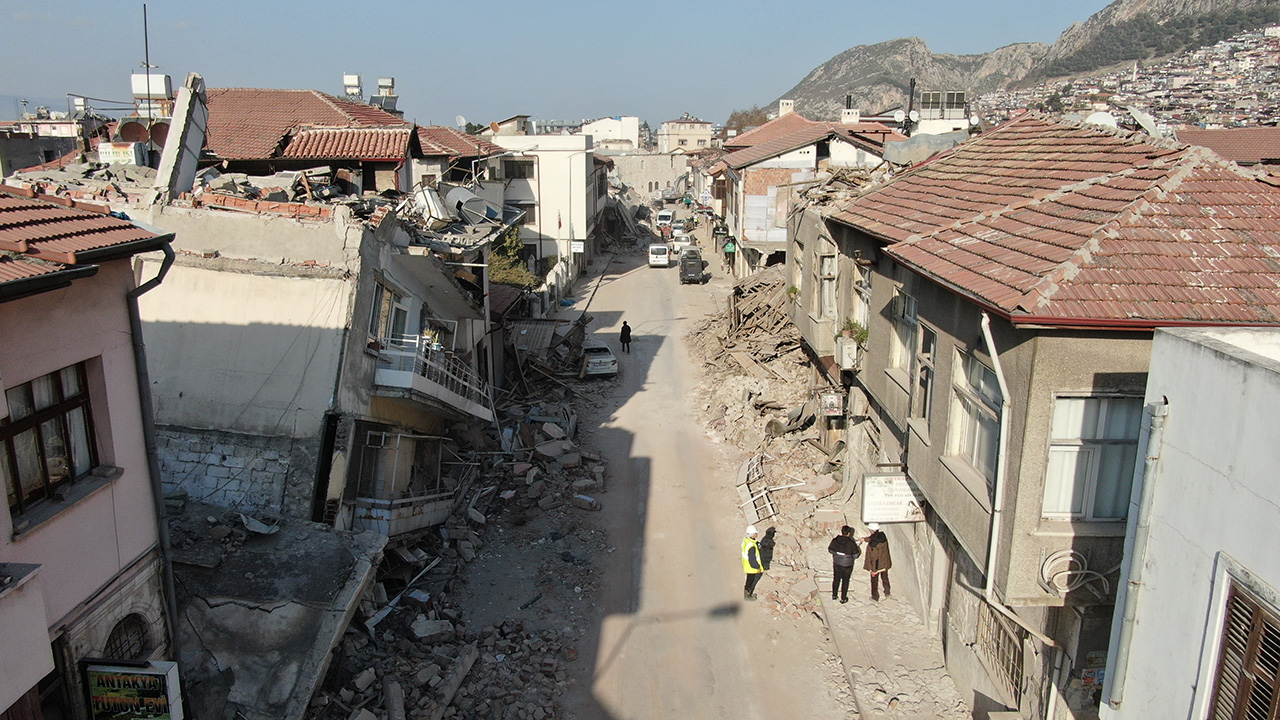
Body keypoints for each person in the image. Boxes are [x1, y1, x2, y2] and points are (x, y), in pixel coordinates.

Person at [827, 525, 861, 604]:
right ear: (849, 533)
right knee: (845, 581)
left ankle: (834, 595)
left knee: (836, 579)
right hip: (847, 565)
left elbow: (830, 550)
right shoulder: (851, 543)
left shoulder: (835, 540)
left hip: (837, 563)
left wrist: (837, 554)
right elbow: (856, 555)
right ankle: (843, 598)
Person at [863, 523, 892, 601]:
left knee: (874, 581)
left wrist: (874, 570)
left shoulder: (873, 545)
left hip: (877, 566)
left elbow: (874, 558)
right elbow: (873, 538)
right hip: (884, 563)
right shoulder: (882, 537)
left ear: (871, 530)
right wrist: (864, 539)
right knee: (885, 578)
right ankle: (887, 592)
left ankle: (875, 597)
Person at [742, 525, 764, 601]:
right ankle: (748, 596)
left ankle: (747, 593)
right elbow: (752, 559)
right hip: (751, 567)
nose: (757, 534)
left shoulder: (746, 540)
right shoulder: (752, 547)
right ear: (753, 534)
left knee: (749, 580)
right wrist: (757, 567)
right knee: (750, 581)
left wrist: (757, 543)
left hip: (747, 565)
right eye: (756, 533)